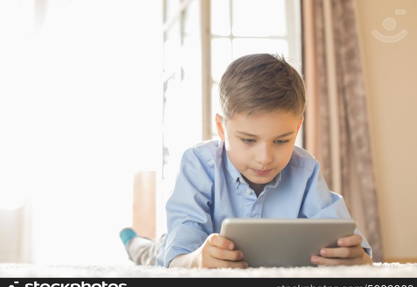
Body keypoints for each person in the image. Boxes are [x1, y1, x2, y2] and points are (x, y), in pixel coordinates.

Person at [120, 53, 373, 268]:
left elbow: (343, 234)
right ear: (221, 128)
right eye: (248, 140)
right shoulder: (199, 163)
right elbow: (180, 252)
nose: (264, 159)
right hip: (177, 248)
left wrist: (355, 255)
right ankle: (136, 243)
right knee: (153, 254)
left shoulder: (305, 168)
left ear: (297, 128)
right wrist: (196, 260)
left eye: (282, 141)